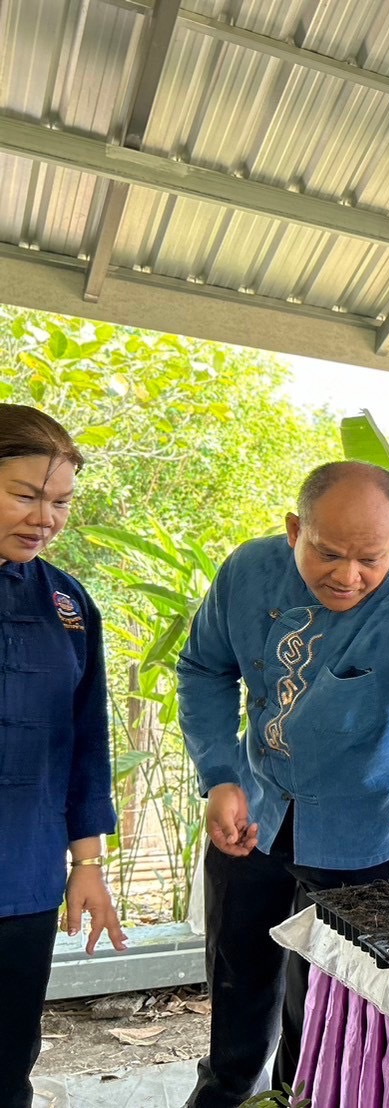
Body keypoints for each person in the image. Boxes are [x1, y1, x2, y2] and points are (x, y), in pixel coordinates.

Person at [179, 461, 389, 1108]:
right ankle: (224, 1091)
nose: (347, 577)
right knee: (238, 980)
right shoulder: (247, 573)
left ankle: (299, 1099)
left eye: (370, 559)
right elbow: (202, 668)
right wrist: (220, 775)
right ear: (295, 528)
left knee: (329, 1001)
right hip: (253, 812)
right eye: (327, 554)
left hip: (359, 830)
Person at [0, 405, 126, 1108]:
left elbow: (84, 741)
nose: (44, 516)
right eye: (25, 494)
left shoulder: (66, 602)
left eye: (60, 501)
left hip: (23, 878)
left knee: (8, 1059)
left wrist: (87, 864)